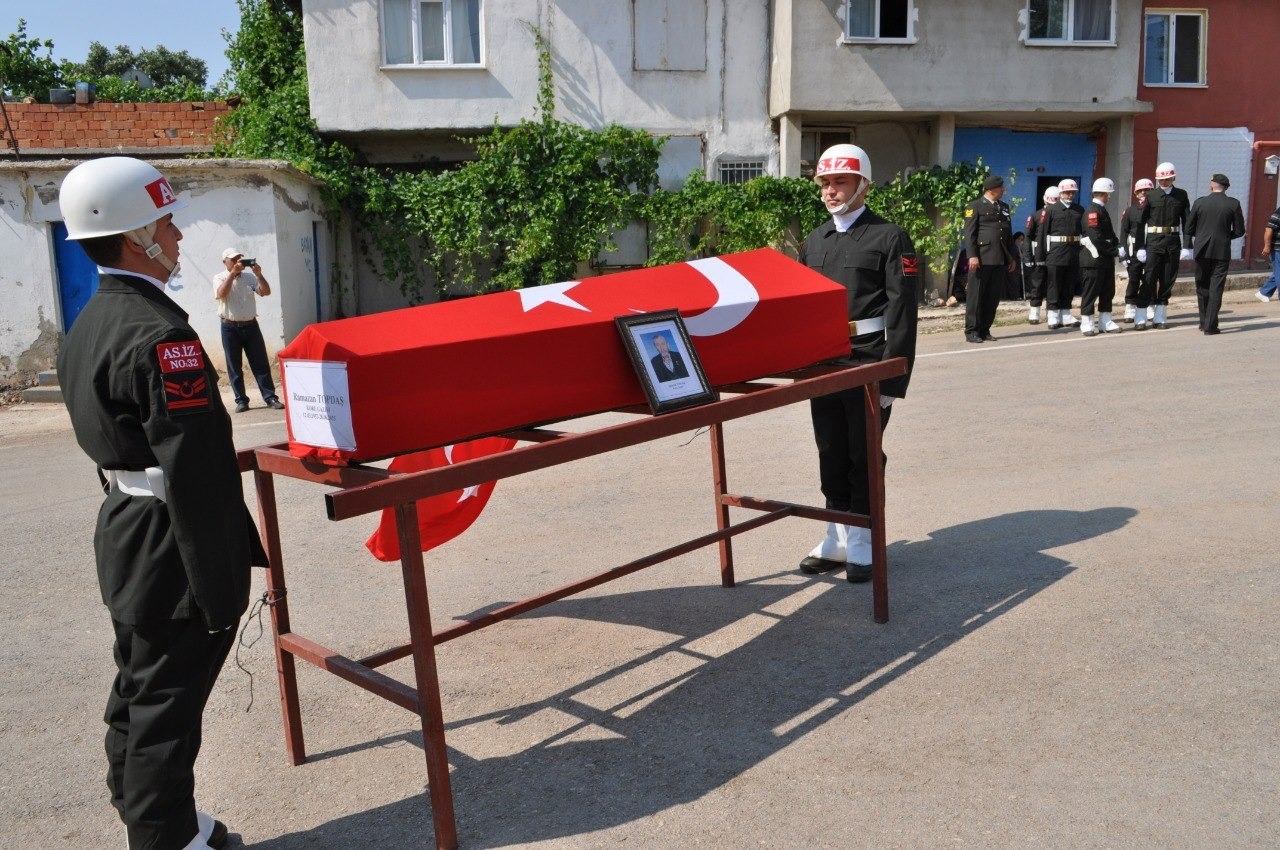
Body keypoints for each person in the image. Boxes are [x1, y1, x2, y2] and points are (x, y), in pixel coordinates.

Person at [54, 156, 265, 850]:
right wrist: (220, 581)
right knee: (167, 703)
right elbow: (196, 469)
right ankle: (163, 837)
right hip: (172, 539)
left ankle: (157, 818)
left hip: (130, 530)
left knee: (141, 687)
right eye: (166, 223)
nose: (176, 235)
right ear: (137, 237)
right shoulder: (161, 335)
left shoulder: (92, 322)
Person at [797, 144, 918, 583]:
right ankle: (836, 534)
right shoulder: (814, 240)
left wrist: (892, 379)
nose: (830, 191)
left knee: (862, 451)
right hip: (824, 363)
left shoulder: (890, 237)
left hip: (868, 361)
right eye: (825, 183)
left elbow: (902, 312)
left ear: (863, 185)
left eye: (840, 182)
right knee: (829, 447)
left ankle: (864, 537)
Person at [213, 248, 285, 412]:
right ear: (225, 262)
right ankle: (241, 400)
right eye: (233, 259)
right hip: (230, 327)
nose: (238, 261)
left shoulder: (249, 278)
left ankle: (270, 397)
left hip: (251, 325)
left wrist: (259, 275)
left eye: (239, 258)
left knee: (260, 363)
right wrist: (232, 274)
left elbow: (265, 292)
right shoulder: (219, 277)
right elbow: (221, 294)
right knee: (234, 366)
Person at [1136, 161, 1193, 329]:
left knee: (1168, 279)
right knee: (1149, 278)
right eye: (1161, 180)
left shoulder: (1181, 195)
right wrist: (1140, 247)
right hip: (1154, 242)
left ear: (1173, 178)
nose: (1164, 182)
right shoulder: (1151, 195)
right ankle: (1140, 316)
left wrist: (1187, 245)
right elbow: (1140, 223)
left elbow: (1187, 222)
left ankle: (1160, 317)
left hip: (1173, 242)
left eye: (1167, 179)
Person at [1186, 173, 1246, 334]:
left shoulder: (1200, 202)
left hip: (1202, 250)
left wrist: (1201, 235)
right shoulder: (1233, 203)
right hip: (1221, 251)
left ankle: (1203, 322)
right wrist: (1225, 236)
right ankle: (1210, 325)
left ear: (1211, 185)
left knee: (1202, 286)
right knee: (1216, 288)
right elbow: (1240, 231)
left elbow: (1188, 229)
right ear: (1226, 188)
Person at [961, 174, 1017, 343]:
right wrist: (972, 256)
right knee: (976, 296)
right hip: (982, 258)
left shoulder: (1004, 207)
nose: (1004, 190)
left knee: (992, 297)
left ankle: (985, 329)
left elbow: (1008, 234)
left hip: (1000, 257)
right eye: (1001, 187)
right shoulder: (975, 206)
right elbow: (970, 233)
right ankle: (972, 331)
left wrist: (1012, 257)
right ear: (991, 189)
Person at [1037, 178, 1084, 330]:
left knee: (1069, 284)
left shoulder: (1079, 210)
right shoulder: (1051, 210)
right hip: (1056, 252)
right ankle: (1052, 314)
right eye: (1067, 192)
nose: (1070, 195)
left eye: (1072, 193)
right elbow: (1042, 234)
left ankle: (1065, 313)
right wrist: (1040, 257)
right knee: (1054, 284)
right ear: (1061, 193)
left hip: (1073, 252)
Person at [1078, 177, 1123, 335]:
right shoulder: (1093, 211)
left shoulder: (1101, 210)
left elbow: (1109, 234)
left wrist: (1117, 245)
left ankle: (1105, 321)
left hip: (1105, 259)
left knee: (1107, 291)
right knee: (1090, 292)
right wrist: (1115, 251)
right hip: (1094, 259)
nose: (1109, 197)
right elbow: (1096, 237)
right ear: (1103, 194)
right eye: (1108, 194)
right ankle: (1087, 323)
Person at [1118, 178, 1153, 324]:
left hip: (1151, 248)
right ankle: (1130, 307)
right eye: (1140, 190)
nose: (1143, 193)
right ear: (1135, 193)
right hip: (1134, 251)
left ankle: (1149, 306)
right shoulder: (1130, 211)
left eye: (1147, 190)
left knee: (1149, 279)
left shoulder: (1155, 209)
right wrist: (1123, 252)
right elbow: (1124, 232)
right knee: (1133, 279)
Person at [1025, 185, 1060, 324]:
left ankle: (1053, 314)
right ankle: (1034, 311)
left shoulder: (1060, 216)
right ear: (1045, 200)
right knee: (1037, 284)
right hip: (1038, 255)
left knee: (1054, 284)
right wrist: (1028, 256)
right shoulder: (1035, 216)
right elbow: (1028, 236)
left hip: (1055, 255)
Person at [1255, 202, 1280, 302]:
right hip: (1278, 249)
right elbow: (1269, 229)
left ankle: (1264, 292)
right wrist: (1267, 246)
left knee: (1278, 272)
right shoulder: (1278, 213)